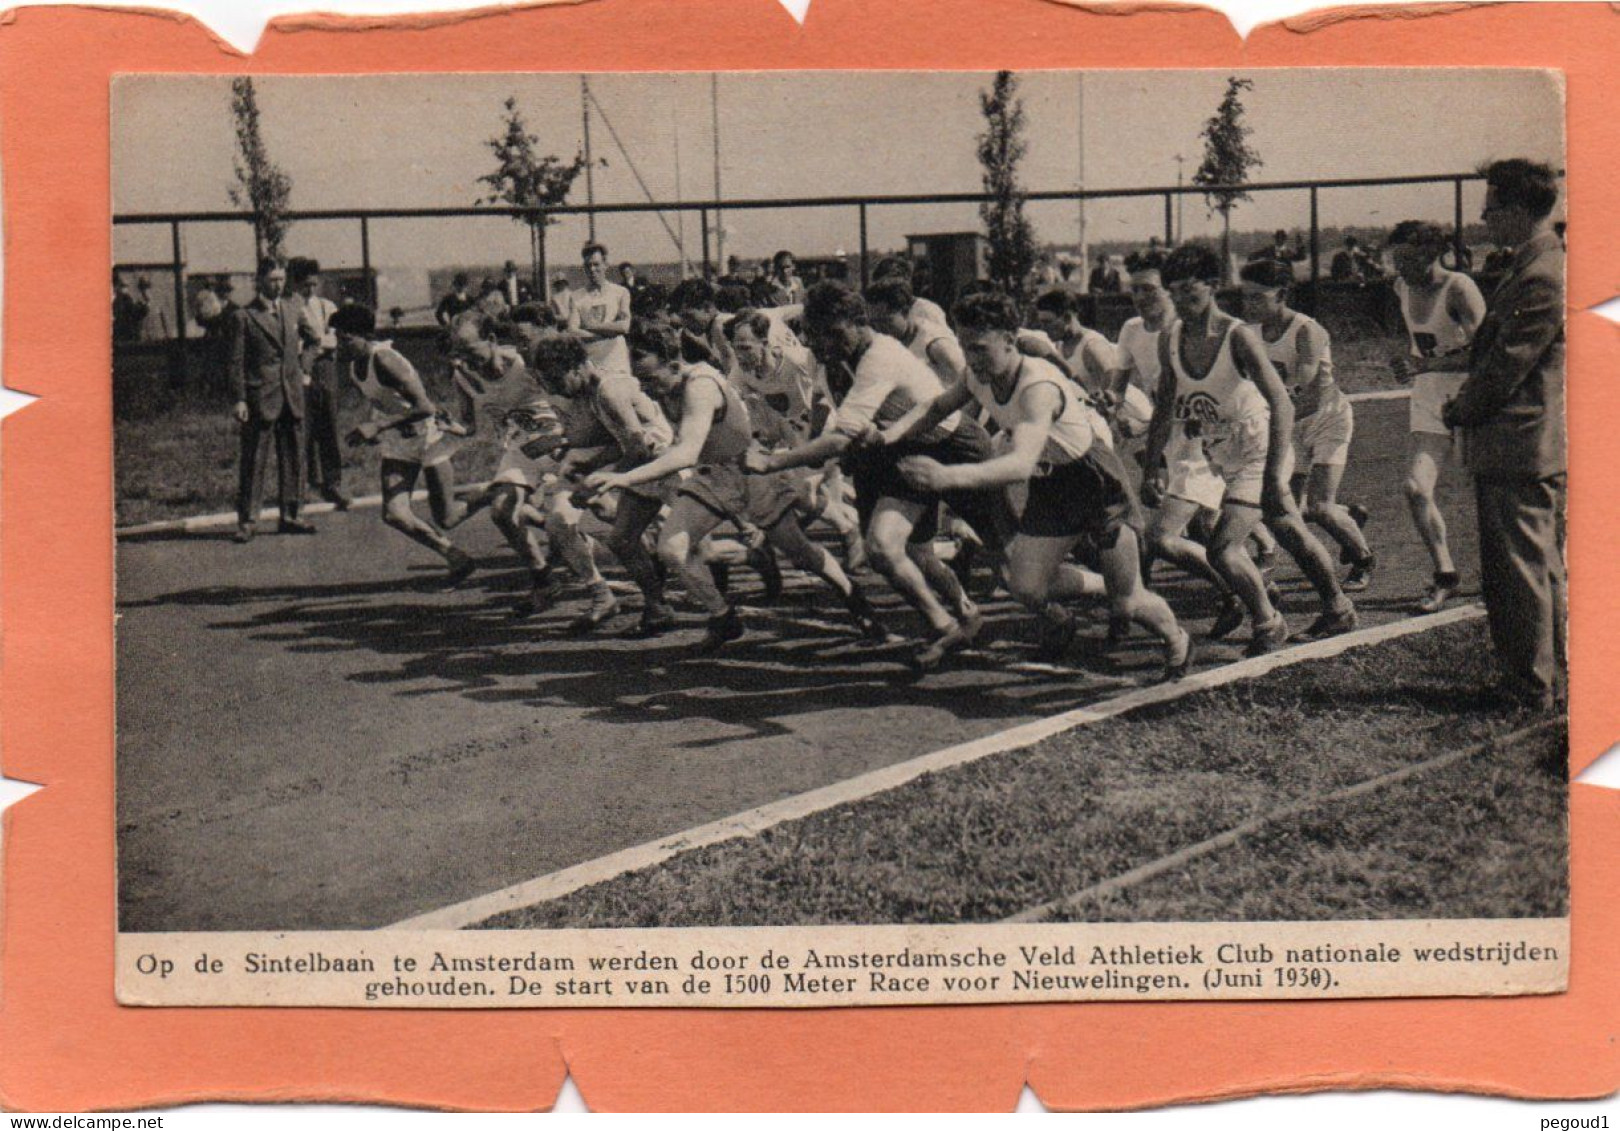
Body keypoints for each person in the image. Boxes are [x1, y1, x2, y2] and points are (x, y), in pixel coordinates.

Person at [882, 292, 1191, 680]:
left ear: (1010, 340)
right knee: (1024, 585)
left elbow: (1020, 463)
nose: (970, 358)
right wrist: (889, 436)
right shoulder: (977, 374)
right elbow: (938, 407)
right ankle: (1099, 588)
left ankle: (1177, 640)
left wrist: (946, 476)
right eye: (963, 346)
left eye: (978, 348)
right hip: (1053, 484)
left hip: (1095, 480)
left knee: (1129, 603)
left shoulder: (1036, 386)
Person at [746, 281, 1012, 669]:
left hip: (954, 446)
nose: (827, 344)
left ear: (859, 322)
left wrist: (773, 462)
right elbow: (831, 413)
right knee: (890, 550)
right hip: (901, 452)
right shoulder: (832, 357)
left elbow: (842, 436)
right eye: (819, 335)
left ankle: (1074, 604)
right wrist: (816, 462)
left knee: (1012, 557)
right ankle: (953, 621)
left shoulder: (879, 356)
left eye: (834, 334)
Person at [585, 323, 886, 651]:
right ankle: (723, 617)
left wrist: (623, 478)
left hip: (752, 473)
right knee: (671, 548)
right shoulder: (670, 384)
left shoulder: (700, 386)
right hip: (713, 476)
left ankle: (856, 601)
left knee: (801, 554)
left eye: (651, 379)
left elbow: (686, 451)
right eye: (641, 381)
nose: (646, 389)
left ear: (674, 365)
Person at [1143, 244, 1356, 653]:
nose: (1182, 302)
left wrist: (1276, 476)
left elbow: (1282, 404)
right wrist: (1153, 466)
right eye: (1174, 292)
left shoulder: (1237, 336)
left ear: (1212, 287)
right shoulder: (1171, 338)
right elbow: (1165, 407)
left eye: (1190, 291)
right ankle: (1338, 607)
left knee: (1225, 549)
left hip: (1260, 451)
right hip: (1218, 452)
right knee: (1288, 531)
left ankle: (1269, 624)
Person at [1442, 159, 1566, 710]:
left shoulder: (1541, 274)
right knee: (1540, 568)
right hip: (1526, 444)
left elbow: (1504, 368)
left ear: (1517, 211)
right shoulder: (1536, 265)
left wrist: (1460, 408)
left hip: (1519, 444)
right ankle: (1550, 676)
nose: (1485, 219)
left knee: (1518, 573)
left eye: (1491, 209)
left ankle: (1528, 685)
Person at [1239, 259, 1375, 589]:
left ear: (1282, 293)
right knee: (1289, 510)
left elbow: (1306, 387)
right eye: (1247, 296)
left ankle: (1362, 559)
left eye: (1259, 296)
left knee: (1320, 506)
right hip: (1290, 425)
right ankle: (1349, 516)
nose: (1250, 304)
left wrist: (1269, 415)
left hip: (1327, 419)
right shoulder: (1249, 333)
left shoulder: (1307, 330)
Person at [331, 303, 475, 584]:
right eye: (337, 337)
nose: (339, 344)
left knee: (448, 517)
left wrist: (379, 426)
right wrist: (370, 430)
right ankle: (456, 557)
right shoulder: (353, 368)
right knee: (395, 514)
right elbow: (384, 403)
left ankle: (502, 498)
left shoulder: (385, 360)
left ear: (363, 336)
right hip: (399, 441)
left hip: (429, 437)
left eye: (345, 338)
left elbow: (426, 407)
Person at [1388, 219, 1489, 613]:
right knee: (1416, 489)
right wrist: (1409, 363)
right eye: (1396, 259)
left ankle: (1509, 578)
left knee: (1488, 495)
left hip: (1472, 395)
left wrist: (1426, 366)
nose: (1400, 267)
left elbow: (1486, 350)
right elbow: (1420, 350)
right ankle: (1445, 574)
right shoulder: (1401, 287)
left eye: (1409, 259)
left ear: (1433, 253)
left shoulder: (1459, 287)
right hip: (1430, 396)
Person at [724, 308, 866, 570]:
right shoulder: (740, 371)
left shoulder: (798, 360)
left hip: (822, 426)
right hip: (793, 430)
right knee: (808, 496)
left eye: (745, 347)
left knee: (800, 491)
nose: (740, 355)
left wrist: (812, 444)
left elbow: (823, 400)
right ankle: (850, 527)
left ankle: (848, 531)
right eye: (736, 348)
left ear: (765, 343)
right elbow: (733, 404)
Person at [228, 257, 314, 543]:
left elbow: (314, 339)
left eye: (281, 279)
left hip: (292, 393)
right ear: (260, 280)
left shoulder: (294, 308)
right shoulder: (244, 316)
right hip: (260, 397)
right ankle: (249, 521)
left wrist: (305, 369)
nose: (278, 285)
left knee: (293, 456)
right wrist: (240, 399)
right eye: (272, 280)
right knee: (254, 460)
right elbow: (236, 362)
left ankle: (291, 515)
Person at [288, 258, 349, 510]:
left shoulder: (326, 306)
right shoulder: (288, 308)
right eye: (305, 285)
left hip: (326, 375)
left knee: (330, 428)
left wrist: (316, 344)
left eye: (314, 284)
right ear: (295, 282)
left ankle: (332, 483)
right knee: (304, 431)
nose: (310, 290)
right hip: (301, 375)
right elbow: (293, 346)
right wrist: (320, 343)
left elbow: (337, 340)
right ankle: (304, 486)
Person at [566, 242, 634, 382]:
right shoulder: (576, 296)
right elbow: (572, 331)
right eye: (588, 265)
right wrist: (609, 331)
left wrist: (589, 328)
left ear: (605, 264)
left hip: (616, 362)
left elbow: (624, 326)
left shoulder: (620, 292)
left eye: (596, 264)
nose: (592, 269)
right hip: (590, 363)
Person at [112, 271, 154, 343]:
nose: (126, 288)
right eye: (123, 286)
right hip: (127, 337)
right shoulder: (124, 299)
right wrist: (146, 305)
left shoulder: (123, 298)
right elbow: (135, 314)